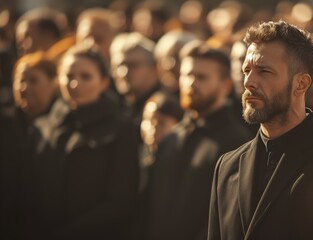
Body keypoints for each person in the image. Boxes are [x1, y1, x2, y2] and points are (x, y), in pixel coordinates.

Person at [208, 20, 313, 240]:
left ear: (301, 84)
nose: (248, 82)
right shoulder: (227, 166)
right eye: (246, 70)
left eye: (264, 71)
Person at [18, 43, 139, 240]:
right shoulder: (42, 128)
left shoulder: (121, 130)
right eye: (69, 76)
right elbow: (25, 192)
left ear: (104, 82)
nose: (75, 84)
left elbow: (121, 200)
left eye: (86, 77)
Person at [145, 41, 251, 240]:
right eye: (187, 75)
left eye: (201, 77)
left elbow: (230, 218)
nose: (190, 83)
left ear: (226, 84)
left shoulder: (237, 144)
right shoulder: (172, 137)